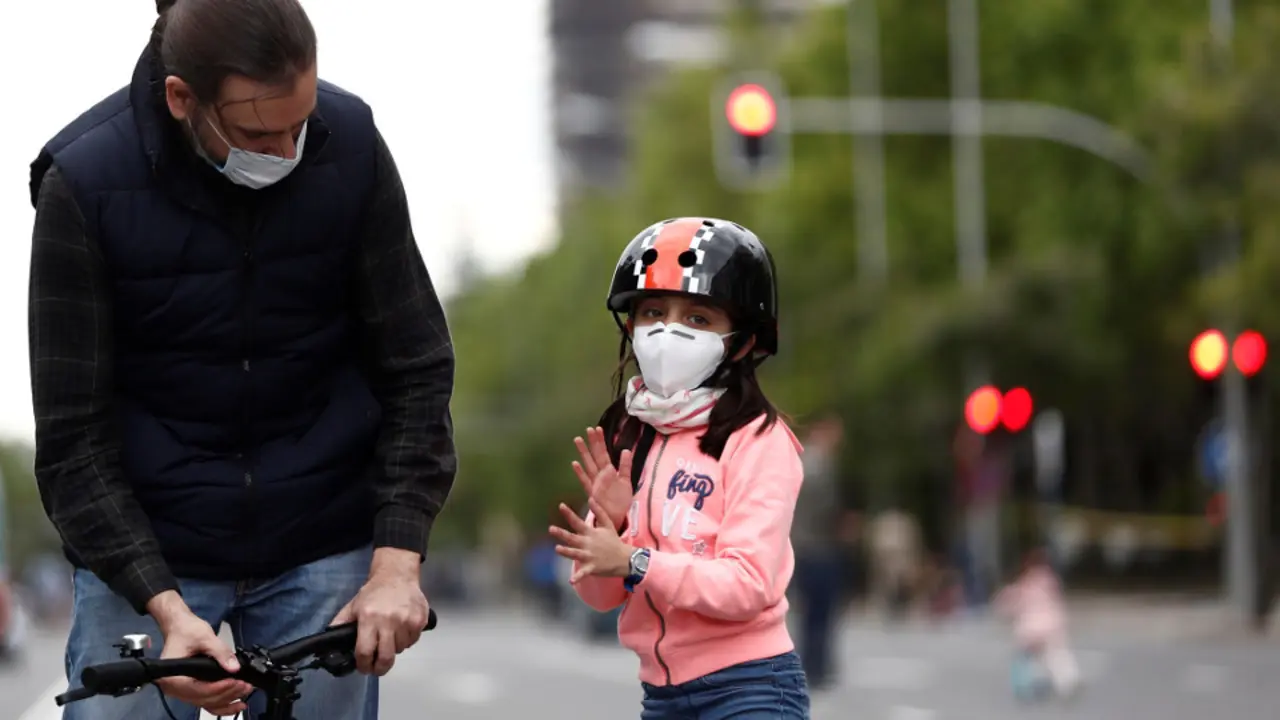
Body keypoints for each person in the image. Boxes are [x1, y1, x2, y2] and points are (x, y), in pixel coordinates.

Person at [26, 1, 456, 717]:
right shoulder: (83, 184)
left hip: (320, 533)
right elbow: (73, 442)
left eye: (302, 124)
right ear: (181, 99)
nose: (290, 151)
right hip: (146, 548)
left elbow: (416, 366)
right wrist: (162, 607)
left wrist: (396, 560)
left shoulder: (349, 145)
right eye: (260, 132)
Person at [549, 217, 811, 719]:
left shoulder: (759, 440)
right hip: (663, 698)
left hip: (749, 690)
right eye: (652, 312)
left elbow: (748, 584)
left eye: (697, 318)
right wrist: (617, 528)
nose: (667, 330)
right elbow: (599, 596)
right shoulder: (633, 436)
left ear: (743, 341)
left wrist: (635, 561)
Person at [789, 414, 846, 690]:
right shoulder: (817, 465)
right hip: (817, 547)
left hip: (805, 545)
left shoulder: (805, 462)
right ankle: (816, 666)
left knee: (812, 611)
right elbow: (825, 509)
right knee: (819, 610)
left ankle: (814, 664)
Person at [994, 548, 1080, 701]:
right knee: (1057, 655)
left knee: (1024, 659)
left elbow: (1009, 603)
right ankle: (1068, 682)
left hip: (1030, 628)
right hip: (1052, 625)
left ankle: (1023, 686)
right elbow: (1056, 600)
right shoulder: (1049, 580)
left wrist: (1005, 611)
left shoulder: (1024, 583)